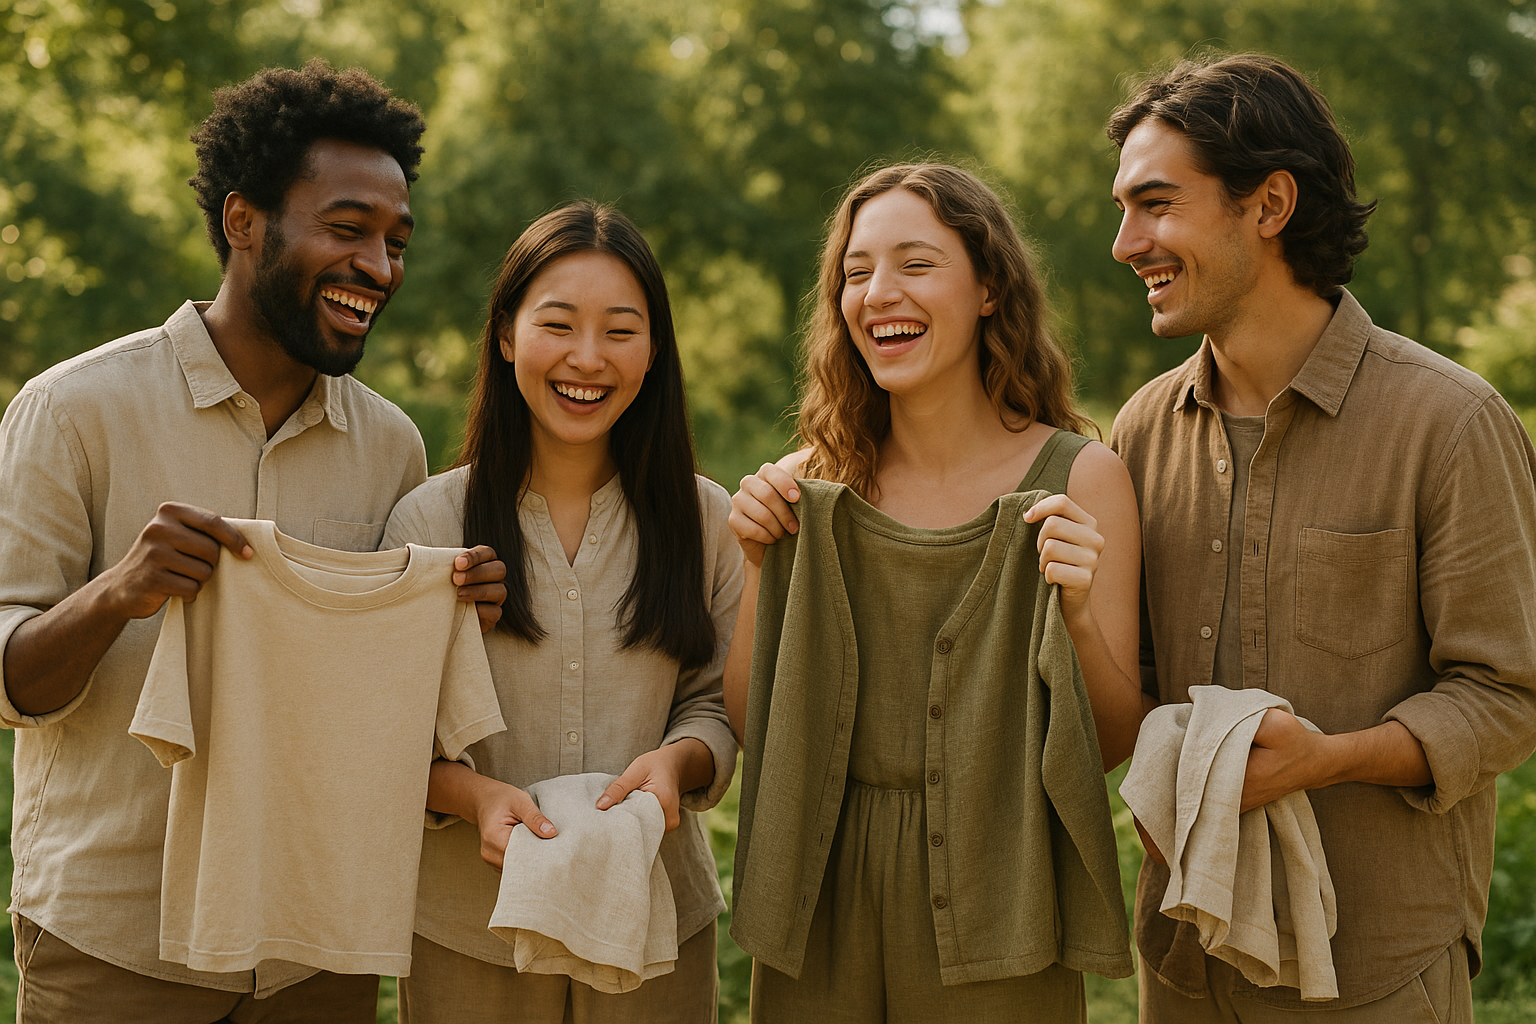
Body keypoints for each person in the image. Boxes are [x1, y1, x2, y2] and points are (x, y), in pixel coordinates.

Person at [0, 61, 506, 1022]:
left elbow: (385, 706)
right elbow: (8, 686)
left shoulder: (393, 446)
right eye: (348, 230)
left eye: (397, 242)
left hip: (314, 955)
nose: (381, 269)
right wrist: (119, 593)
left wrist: (450, 619)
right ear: (243, 221)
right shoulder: (73, 412)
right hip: (116, 950)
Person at [1107, 53, 1536, 1022]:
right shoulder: (1137, 431)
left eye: (1157, 203)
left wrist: (1329, 758)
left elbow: (1509, 695)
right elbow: (1124, 686)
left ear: (1269, 204)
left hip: (1379, 966)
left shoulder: (1451, 423)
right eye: (1126, 208)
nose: (1126, 241)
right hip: (1186, 962)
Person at [724, 163, 1145, 1021]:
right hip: (820, 889)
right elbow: (749, 723)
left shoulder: (1082, 482)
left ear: (990, 288)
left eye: (916, 264)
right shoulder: (805, 490)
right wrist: (758, 567)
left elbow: (1109, 744)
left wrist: (1075, 617)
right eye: (855, 271)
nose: (880, 293)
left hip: (1004, 893)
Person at [381, 201, 741, 1024]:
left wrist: (680, 763)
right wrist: (473, 799)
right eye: (558, 324)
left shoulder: (707, 520)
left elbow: (716, 697)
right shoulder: (428, 526)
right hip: (471, 927)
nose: (588, 358)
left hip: (656, 926)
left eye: (621, 330)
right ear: (506, 335)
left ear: (654, 352)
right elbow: (384, 731)